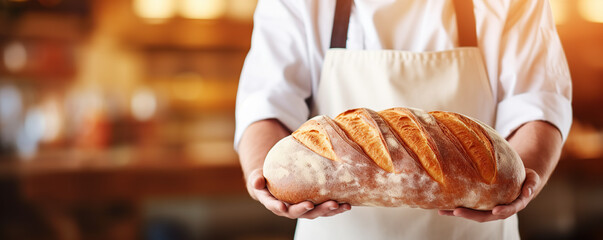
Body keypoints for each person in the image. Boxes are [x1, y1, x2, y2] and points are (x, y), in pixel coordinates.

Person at [235, 0, 572, 239]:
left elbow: (538, 102)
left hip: (474, 232)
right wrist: (264, 178)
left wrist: (522, 178)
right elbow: (267, 103)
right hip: (336, 231)